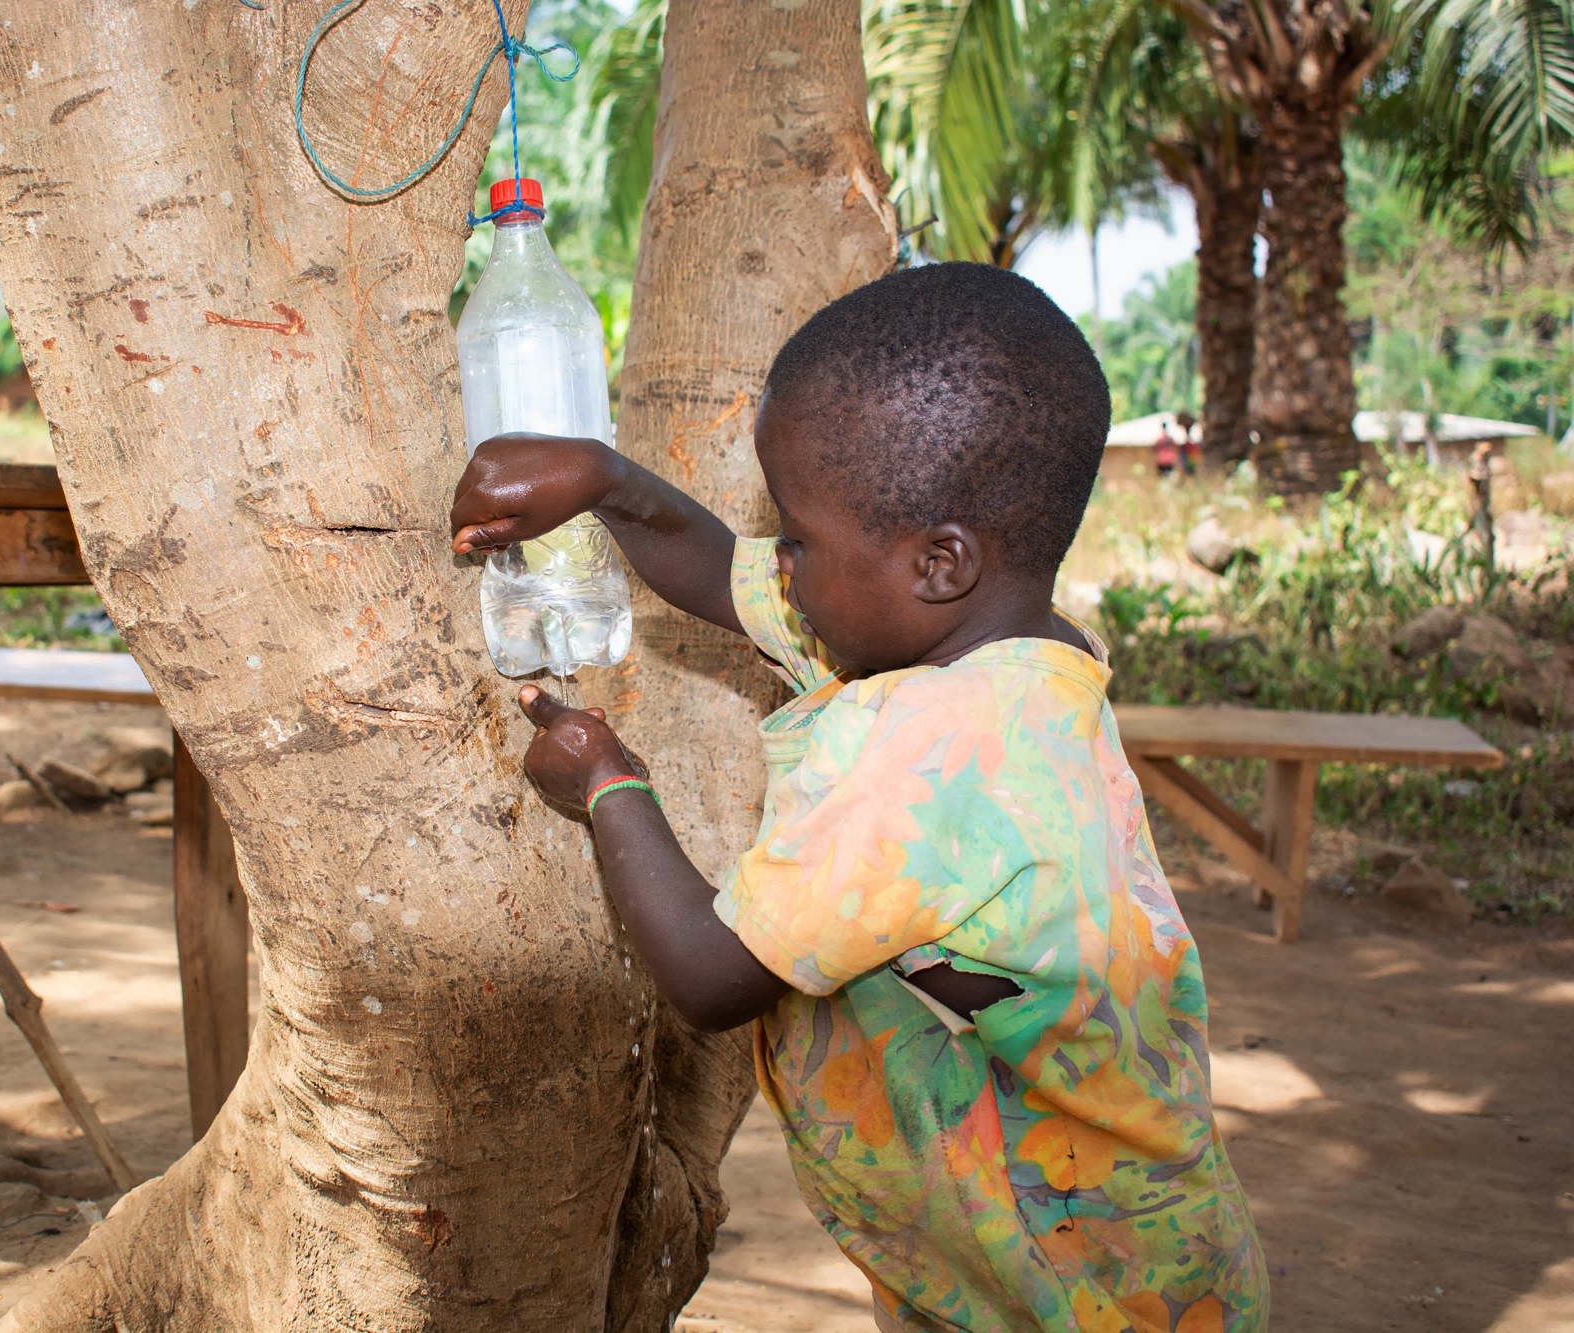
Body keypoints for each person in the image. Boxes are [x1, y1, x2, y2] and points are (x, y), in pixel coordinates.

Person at [451, 263, 1266, 1332]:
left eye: (794, 536)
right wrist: (606, 481)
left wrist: (607, 785)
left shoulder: (940, 753)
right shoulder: (988, 652)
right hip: (1021, 1264)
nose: (777, 563)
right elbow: (718, 574)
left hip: (1084, 1298)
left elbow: (709, 971)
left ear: (937, 562)